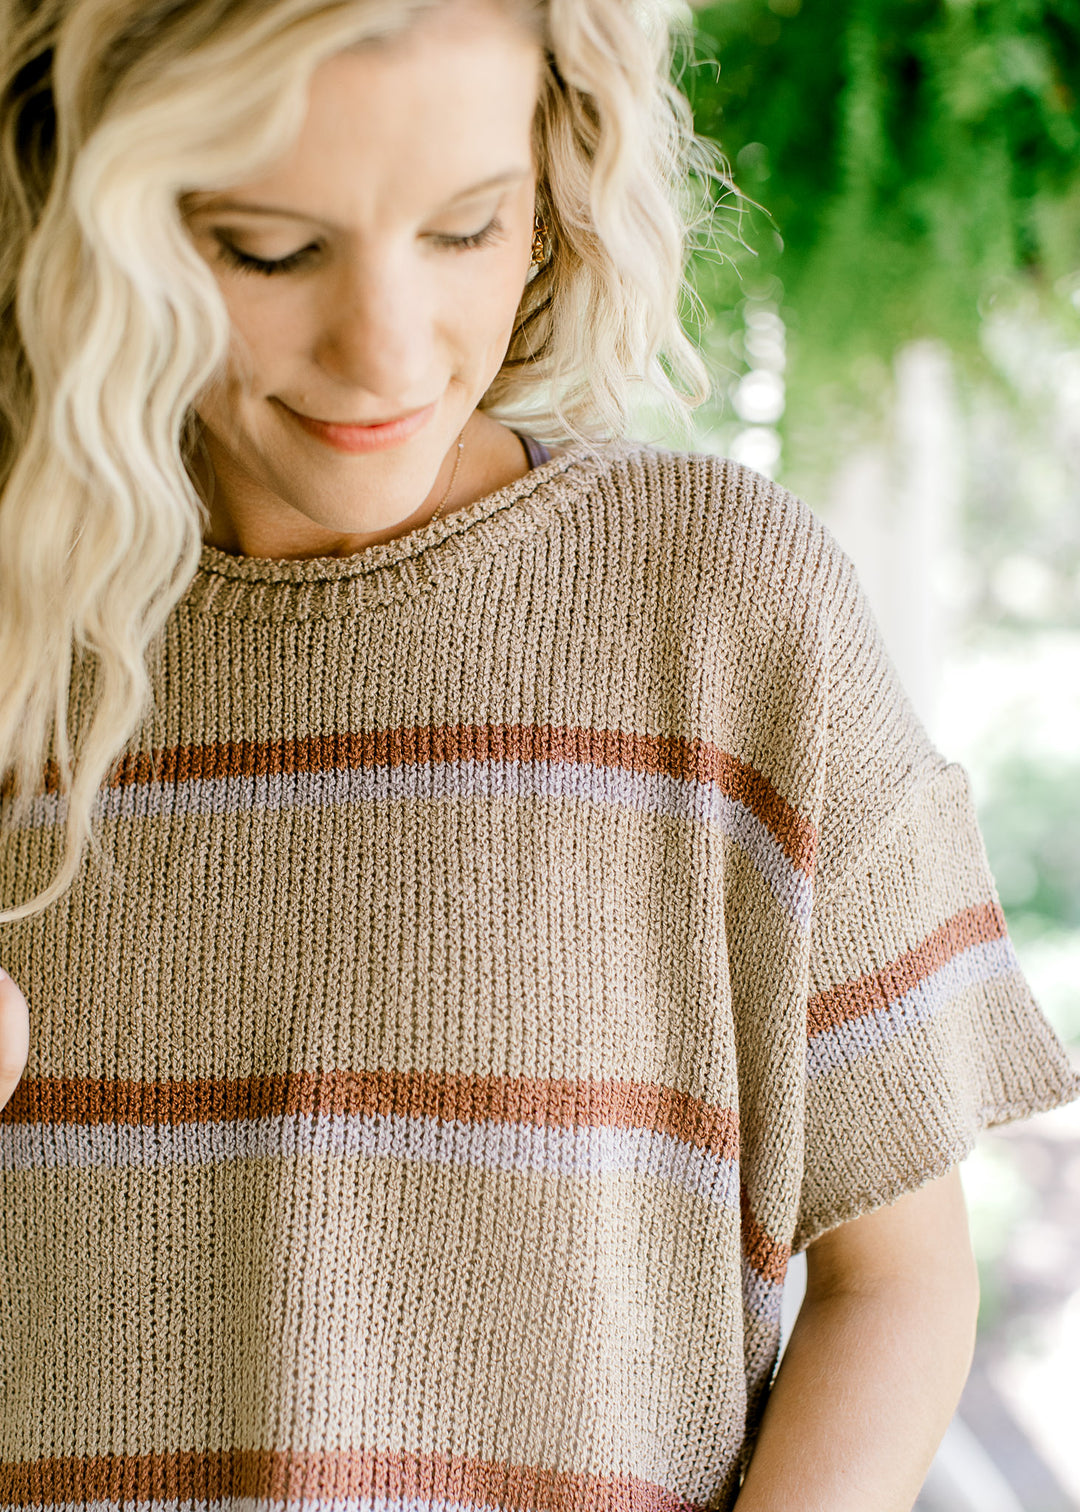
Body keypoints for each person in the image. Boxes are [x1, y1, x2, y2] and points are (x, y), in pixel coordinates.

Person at [0, 0, 1075, 1508]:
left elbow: (894, 1288)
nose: (384, 350)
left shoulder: (722, 608)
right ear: (82, 210)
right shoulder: (20, 640)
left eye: (464, 229)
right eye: (268, 248)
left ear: (559, 182)